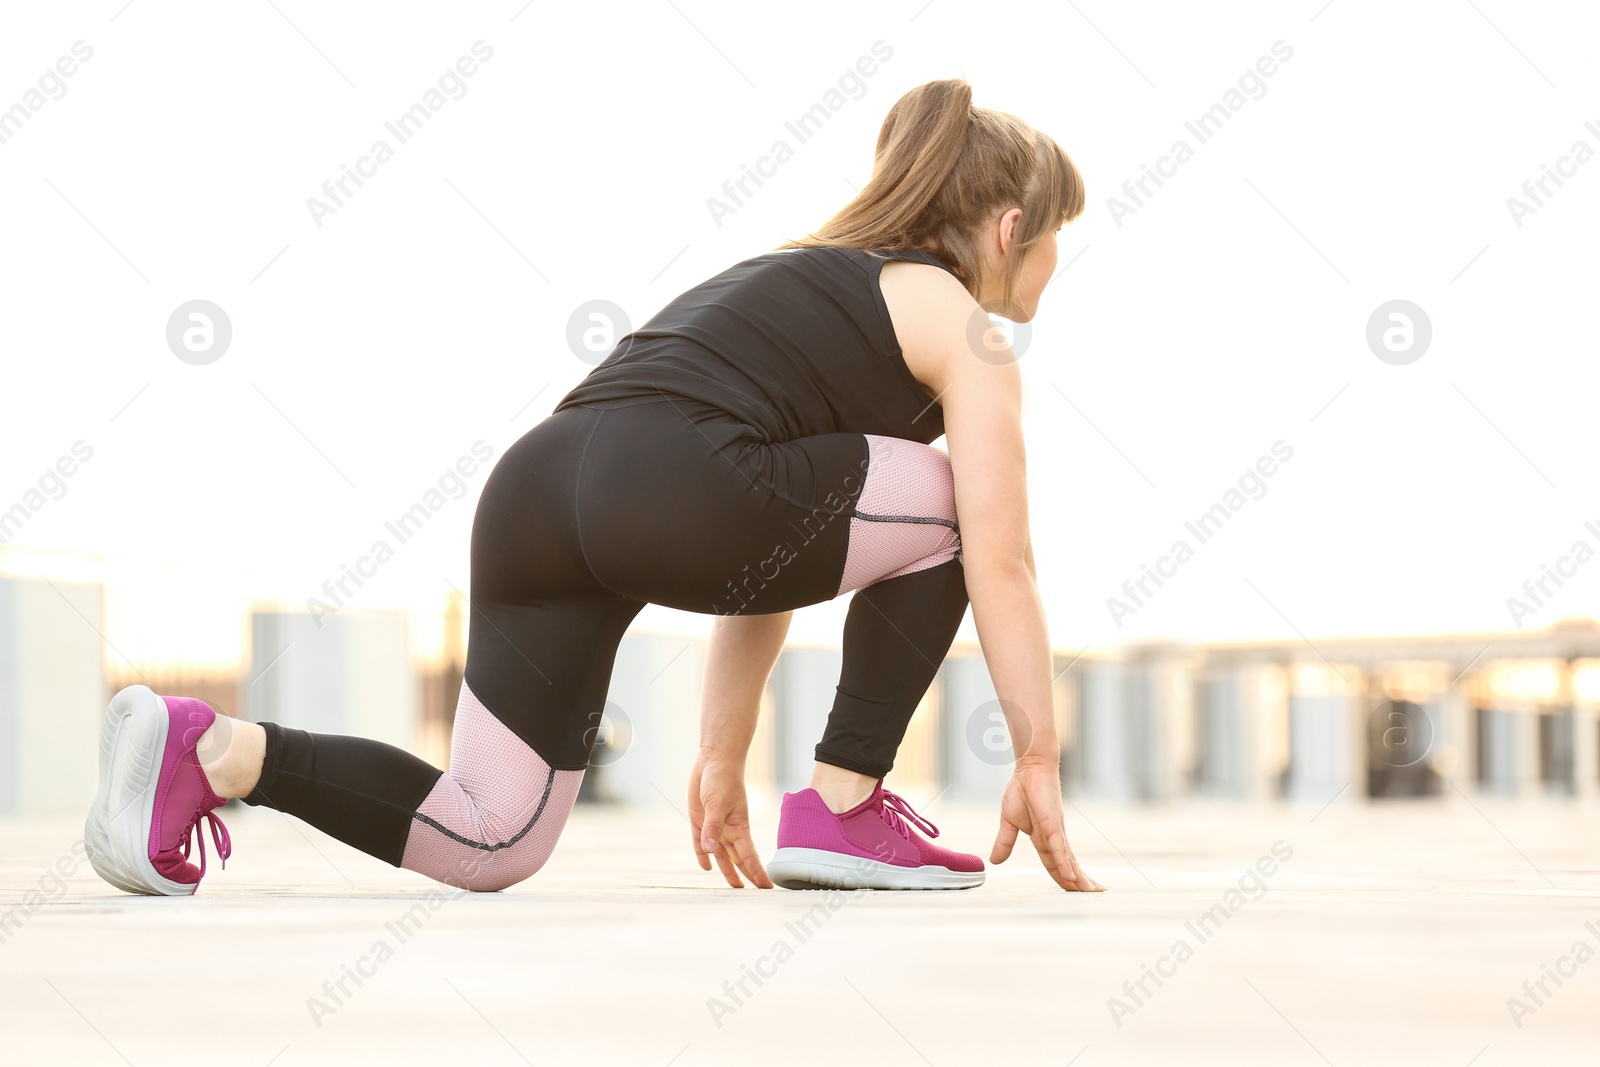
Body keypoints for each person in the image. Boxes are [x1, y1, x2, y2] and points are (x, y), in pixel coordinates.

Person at [83, 77, 1103, 897]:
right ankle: (845, 800)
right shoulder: (961, 322)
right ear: (1013, 229)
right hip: (676, 483)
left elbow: (785, 544)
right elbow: (1000, 555)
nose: (1060, 260)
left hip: (538, 490)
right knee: (950, 497)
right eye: (1060, 234)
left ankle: (215, 751)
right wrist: (1039, 757)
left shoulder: (797, 277)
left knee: (491, 833)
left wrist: (720, 751)